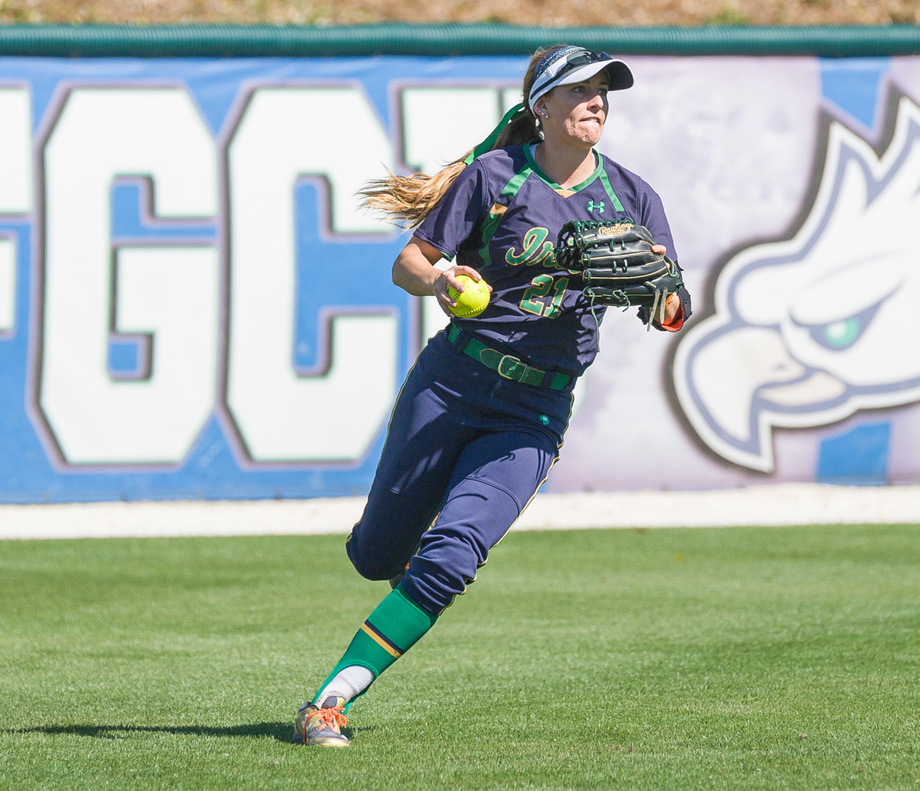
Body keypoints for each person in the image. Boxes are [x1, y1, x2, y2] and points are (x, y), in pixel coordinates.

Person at [292, 43, 689, 747]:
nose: (598, 99)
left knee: (452, 556)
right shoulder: (494, 177)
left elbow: (676, 307)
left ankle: (330, 699)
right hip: (449, 383)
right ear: (541, 107)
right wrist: (442, 280)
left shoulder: (632, 195)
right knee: (377, 557)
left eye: (605, 89)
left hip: (534, 411)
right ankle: (395, 561)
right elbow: (409, 263)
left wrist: (661, 297)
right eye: (580, 90)